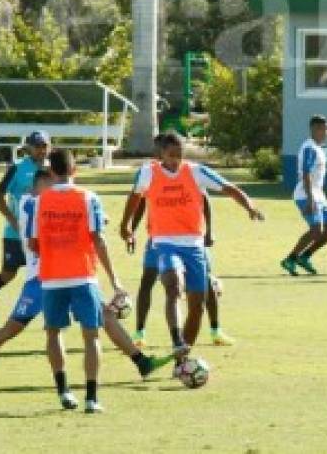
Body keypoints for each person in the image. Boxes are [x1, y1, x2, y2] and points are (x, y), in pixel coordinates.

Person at [34, 149, 171, 413]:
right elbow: (98, 239)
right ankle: (91, 398)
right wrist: (114, 279)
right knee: (92, 336)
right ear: (75, 171)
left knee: (53, 333)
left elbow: (33, 242)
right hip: (83, 276)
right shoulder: (88, 198)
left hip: (51, 277)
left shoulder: (39, 202)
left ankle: (63, 391)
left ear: (51, 172)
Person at [119, 131, 264, 359]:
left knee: (197, 306)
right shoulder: (148, 172)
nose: (175, 159)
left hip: (194, 245)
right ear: (161, 154)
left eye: (179, 154)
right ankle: (177, 339)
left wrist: (249, 206)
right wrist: (125, 226)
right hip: (163, 242)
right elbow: (135, 197)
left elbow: (228, 187)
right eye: (171, 155)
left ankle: (182, 359)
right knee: (173, 286)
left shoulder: (195, 172)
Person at [128, 172, 230, 347]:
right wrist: (132, 230)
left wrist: (209, 230)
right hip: (159, 239)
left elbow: (205, 200)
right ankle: (139, 332)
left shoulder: (190, 172)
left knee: (206, 282)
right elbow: (140, 202)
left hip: (191, 239)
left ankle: (215, 330)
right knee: (147, 281)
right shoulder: (150, 174)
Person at [0, 131, 51, 328]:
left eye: (45, 146)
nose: (42, 150)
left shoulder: (53, 168)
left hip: (44, 234)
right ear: (28, 148)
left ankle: (49, 319)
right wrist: (12, 219)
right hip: (16, 235)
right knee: (8, 274)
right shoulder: (18, 168)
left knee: (47, 274)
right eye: (37, 146)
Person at [281, 114, 327, 277]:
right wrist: (310, 199)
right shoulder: (309, 148)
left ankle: (305, 257)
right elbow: (305, 174)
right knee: (316, 230)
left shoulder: (318, 148)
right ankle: (290, 259)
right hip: (306, 195)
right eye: (326, 129)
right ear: (316, 129)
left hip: (319, 195)